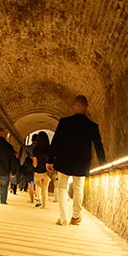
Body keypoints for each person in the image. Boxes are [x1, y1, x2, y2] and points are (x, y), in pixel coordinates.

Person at [47, 95, 106, 225]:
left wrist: (50, 160)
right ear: (86, 107)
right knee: (78, 188)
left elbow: (56, 142)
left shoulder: (64, 122)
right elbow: (98, 145)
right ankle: (75, 217)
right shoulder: (92, 126)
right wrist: (103, 163)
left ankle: (63, 219)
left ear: (75, 106)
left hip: (64, 161)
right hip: (82, 162)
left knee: (62, 188)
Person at [30, 131, 52, 209]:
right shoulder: (50, 148)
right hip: (47, 171)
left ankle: (39, 200)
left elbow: (35, 164)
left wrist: (34, 166)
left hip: (38, 171)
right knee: (45, 188)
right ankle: (44, 205)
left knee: (38, 186)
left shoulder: (36, 149)